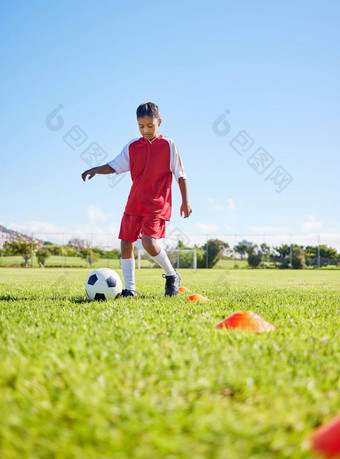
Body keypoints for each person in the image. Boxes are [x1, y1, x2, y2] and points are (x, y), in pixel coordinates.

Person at [82, 102, 192, 297]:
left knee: (149, 243)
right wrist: (95, 170)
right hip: (135, 202)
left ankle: (171, 275)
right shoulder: (133, 147)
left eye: (150, 125)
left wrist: (185, 201)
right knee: (126, 242)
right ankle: (130, 289)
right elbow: (114, 165)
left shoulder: (168, 145)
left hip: (157, 204)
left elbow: (180, 174)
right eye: (141, 126)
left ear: (159, 122)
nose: (146, 130)